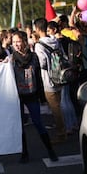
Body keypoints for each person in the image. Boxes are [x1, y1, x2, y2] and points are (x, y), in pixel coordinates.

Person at [10, 30, 58, 163]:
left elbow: (39, 77)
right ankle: (24, 153)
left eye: (18, 41)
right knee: (20, 127)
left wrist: (42, 97)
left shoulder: (34, 57)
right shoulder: (11, 59)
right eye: (14, 42)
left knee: (38, 123)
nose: (16, 45)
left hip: (32, 94)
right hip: (17, 96)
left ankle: (50, 150)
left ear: (25, 41)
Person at [34, 17, 67, 144]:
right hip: (60, 76)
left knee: (55, 108)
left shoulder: (39, 45)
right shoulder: (55, 40)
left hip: (49, 79)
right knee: (59, 105)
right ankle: (63, 129)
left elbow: (42, 63)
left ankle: (61, 133)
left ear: (37, 29)